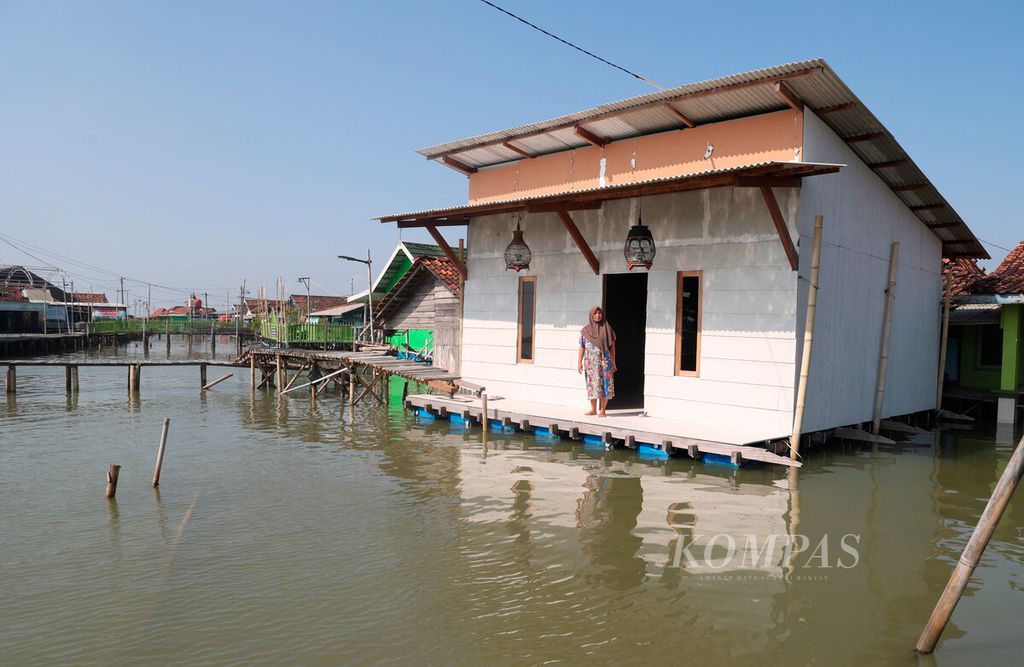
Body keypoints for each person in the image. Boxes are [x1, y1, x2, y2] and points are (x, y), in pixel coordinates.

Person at [577, 306, 616, 417]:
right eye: (595, 313)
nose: (598, 315)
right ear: (591, 315)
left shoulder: (607, 328)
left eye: (599, 313)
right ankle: (593, 409)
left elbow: (613, 346)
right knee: (592, 385)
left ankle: (602, 410)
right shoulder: (585, 330)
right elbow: (582, 347)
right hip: (591, 364)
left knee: (605, 384)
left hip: (605, 362)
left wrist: (613, 361)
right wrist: (579, 362)